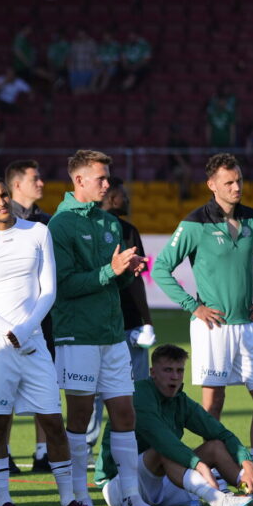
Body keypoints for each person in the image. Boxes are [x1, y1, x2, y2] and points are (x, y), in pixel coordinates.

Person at [0, 175, 100, 506]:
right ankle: (5, 502)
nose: (1, 203)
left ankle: (68, 502)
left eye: (4, 195)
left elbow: (48, 290)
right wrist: (7, 331)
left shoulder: (38, 232)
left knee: (53, 422)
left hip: (34, 344)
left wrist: (24, 329)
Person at [151, 153, 253, 506]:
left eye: (238, 180)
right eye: (228, 182)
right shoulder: (195, 223)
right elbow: (160, 268)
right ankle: (221, 481)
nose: (236, 187)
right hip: (213, 328)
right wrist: (193, 306)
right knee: (213, 406)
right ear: (211, 185)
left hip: (249, 328)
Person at [48, 149, 168, 506]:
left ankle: (131, 499)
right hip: (77, 335)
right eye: (100, 177)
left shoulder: (110, 223)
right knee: (81, 415)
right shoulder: (59, 226)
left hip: (113, 335)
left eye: (107, 177)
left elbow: (112, 282)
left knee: (125, 413)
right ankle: (78, 497)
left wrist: (126, 273)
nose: (107, 184)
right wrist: (109, 271)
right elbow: (63, 285)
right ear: (78, 180)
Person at [96, 345, 253, 506]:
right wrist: (199, 465)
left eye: (179, 370)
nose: (175, 376)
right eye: (168, 370)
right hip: (120, 486)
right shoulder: (140, 394)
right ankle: (218, 500)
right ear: (153, 373)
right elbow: (164, 441)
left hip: (162, 482)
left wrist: (247, 463)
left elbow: (221, 434)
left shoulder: (181, 400)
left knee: (215, 446)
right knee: (163, 451)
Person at [86, 177, 157, 452]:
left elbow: (138, 279)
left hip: (129, 326)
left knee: (134, 391)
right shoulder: (88, 230)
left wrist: (146, 322)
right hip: (97, 326)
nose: (126, 198)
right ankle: (85, 448)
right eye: (123, 193)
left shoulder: (129, 230)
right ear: (111, 195)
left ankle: (134, 444)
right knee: (91, 393)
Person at [5, 159, 52, 472]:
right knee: (3, 388)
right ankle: (3, 452)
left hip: (42, 317)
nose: (42, 183)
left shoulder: (49, 222)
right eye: (35, 178)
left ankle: (42, 452)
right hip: (5, 319)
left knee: (43, 385)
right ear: (17, 185)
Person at [67, 28, 98, 95]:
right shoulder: (74, 43)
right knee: (74, 91)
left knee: (79, 91)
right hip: (75, 70)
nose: (81, 35)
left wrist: (95, 71)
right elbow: (70, 56)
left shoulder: (91, 43)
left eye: (82, 34)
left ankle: (93, 91)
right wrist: (70, 68)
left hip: (87, 70)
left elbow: (94, 57)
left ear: (86, 34)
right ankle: (92, 90)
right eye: (79, 34)